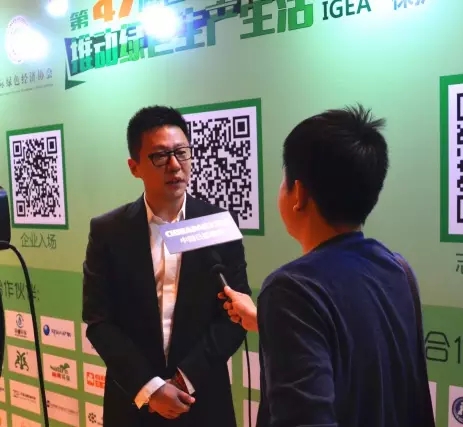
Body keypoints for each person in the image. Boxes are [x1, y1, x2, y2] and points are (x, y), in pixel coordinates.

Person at [220, 104, 436, 427]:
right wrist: (267, 322)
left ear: (298, 194)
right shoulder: (398, 270)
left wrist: (279, 317)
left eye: (284, 178)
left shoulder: (291, 290)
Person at [82, 105, 250, 427]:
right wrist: (151, 388)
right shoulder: (108, 232)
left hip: (202, 398)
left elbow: (234, 316)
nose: (174, 165)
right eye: (160, 156)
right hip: (134, 401)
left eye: (181, 152)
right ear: (134, 167)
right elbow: (99, 321)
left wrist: (184, 380)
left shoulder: (217, 225)